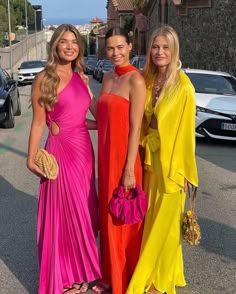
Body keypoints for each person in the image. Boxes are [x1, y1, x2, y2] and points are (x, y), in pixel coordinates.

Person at [26, 24, 101, 294]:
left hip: (83, 152)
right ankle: (65, 278)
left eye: (74, 42)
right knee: (66, 215)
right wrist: (31, 157)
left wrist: (105, 124)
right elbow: (37, 123)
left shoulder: (82, 77)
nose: (70, 46)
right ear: (55, 46)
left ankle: (81, 274)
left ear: (79, 47)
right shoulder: (44, 79)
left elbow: (84, 121)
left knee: (86, 211)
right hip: (60, 151)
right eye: (64, 42)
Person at [126, 25, 198, 294]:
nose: (159, 52)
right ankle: (161, 274)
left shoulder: (184, 88)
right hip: (149, 163)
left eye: (165, 47)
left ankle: (152, 283)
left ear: (174, 50)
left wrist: (188, 175)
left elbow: (187, 135)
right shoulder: (146, 79)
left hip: (172, 168)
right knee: (152, 222)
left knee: (164, 227)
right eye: (155, 47)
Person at [87, 27, 146, 294]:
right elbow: (101, 117)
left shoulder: (136, 80)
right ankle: (109, 276)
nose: (115, 53)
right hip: (106, 157)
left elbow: (136, 128)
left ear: (130, 46)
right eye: (110, 48)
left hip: (125, 160)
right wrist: (87, 91)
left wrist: (130, 170)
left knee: (122, 220)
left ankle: (124, 280)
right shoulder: (108, 76)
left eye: (120, 47)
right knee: (107, 216)